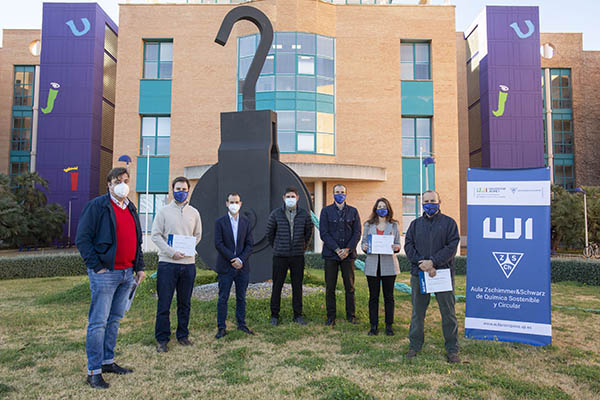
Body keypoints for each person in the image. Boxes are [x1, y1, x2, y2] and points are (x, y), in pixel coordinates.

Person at [76, 167, 146, 389]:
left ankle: (107, 361)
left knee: (114, 320)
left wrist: (140, 267)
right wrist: (96, 267)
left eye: (126, 180)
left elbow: (137, 240)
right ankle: (94, 371)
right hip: (106, 274)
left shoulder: (131, 207)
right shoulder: (97, 206)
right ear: (109, 184)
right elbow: (83, 239)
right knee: (98, 322)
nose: (123, 184)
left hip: (127, 273)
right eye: (118, 180)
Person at [404, 190, 461, 363]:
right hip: (419, 274)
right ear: (422, 203)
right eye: (426, 201)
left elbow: (452, 246)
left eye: (433, 201)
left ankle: (452, 349)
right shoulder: (415, 225)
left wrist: (434, 262)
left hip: (441, 274)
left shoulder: (449, 223)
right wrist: (422, 263)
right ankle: (414, 346)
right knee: (417, 313)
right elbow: (408, 246)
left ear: (439, 202)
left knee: (448, 313)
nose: (429, 204)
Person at [151, 176, 202, 353]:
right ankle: (162, 339)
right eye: (178, 189)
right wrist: (172, 252)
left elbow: (198, 234)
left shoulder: (194, 213)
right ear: (173, 190)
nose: (181, 192)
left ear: (189, 190)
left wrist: (188, 249)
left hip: (188, 264)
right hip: (167, 264)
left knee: (185, 302)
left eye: (184, 189)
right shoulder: (163, 212)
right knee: (164, 303)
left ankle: (182, 335)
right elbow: (155, 235)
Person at [266, 187, 314, 326]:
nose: (290, 198)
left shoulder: (304, 214)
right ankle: (274, 315)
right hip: (280, 256)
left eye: (293, 196)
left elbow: (308, 232)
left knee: (297, 286)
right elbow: (270, 233)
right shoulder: (276, 214)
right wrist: (277, 247)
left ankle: (297, 315)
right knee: (277, 286)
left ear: (297, 197)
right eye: (288, 196)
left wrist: (302, 247)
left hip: (297, 256)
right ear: (283, 198)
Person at [319, 184, 361, 326]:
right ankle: (331, 317)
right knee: (330, 287)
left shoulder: (353, 212)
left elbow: (357, 233)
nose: (340, 194)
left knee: (349, 286)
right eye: (337, 192)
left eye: (342, 192)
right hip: (331, 255)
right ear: (333, 194)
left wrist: (347, 250)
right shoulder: (325, 211)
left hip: (348, 256)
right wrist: (337, 249)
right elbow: (324, 233)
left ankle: (351, 316)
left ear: (346, 194)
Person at [214, 192, 254, 339]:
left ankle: (241, 324)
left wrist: (241, 260)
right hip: (226, 266)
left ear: (240, 204)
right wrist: (233, 259)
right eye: (231, 202)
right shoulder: (220, 222)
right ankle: (221, 327)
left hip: (242, 267)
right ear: (226, 203)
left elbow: (250, 244)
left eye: (236, 202)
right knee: (223, 297)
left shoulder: (246, 222)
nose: (234, 205)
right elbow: (218, 243)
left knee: (241, 297)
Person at [360, 198, 401, 336]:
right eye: (379, 206)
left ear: (388, 208)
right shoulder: (368, 224)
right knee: (373, 297)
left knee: (389, 297)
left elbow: (398, 243)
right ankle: (373, 326)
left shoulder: (394, 225)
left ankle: (389, 326)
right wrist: (365, 247)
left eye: (384, 206)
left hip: (389, 265)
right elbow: (363, 242)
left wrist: (396, 247)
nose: (381, 208)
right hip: (372, 265)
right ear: (375, 209)